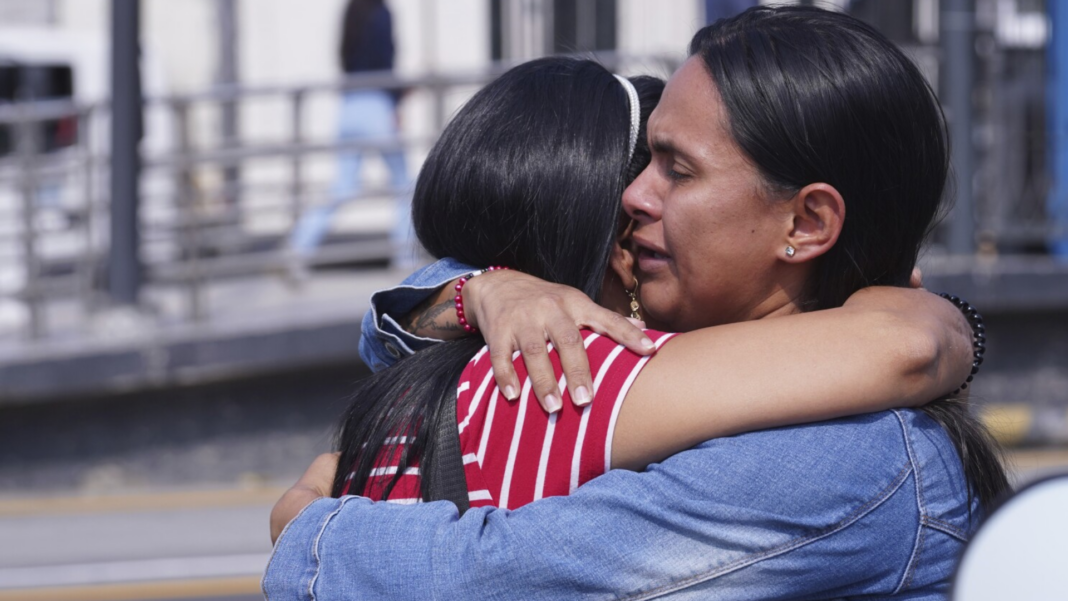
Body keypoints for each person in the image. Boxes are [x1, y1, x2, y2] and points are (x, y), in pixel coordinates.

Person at [264, 7, 1009, 599]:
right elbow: (390, 329)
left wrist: (308, 527)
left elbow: (490, 578)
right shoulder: (586, 364)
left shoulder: (850, 458)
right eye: (647, 157)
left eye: (677, 170)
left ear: (805, 223)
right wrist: (478, 290)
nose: (632, 195)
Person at [322, 57, 972, 511]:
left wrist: (472, 289)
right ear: (625, 251)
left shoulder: (399, 404)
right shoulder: (581, 377)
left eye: (678, 171)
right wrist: (948, 319)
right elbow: (904, 345)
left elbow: (379, 337)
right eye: (660, 173)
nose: (647, 197)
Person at [287, 0, 412, 272]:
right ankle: (406, 261)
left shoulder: (352, 12)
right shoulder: (382, 13)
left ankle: (298, 249)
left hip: (349, 105)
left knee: (342, 186)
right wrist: (397, 96)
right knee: (404, 186)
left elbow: (350, 62)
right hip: (376, 105)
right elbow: (383, 62)